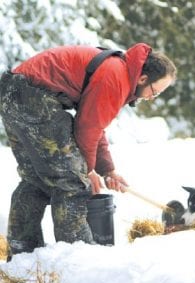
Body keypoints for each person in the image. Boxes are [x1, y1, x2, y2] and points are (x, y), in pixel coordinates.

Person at [0, 43, 177, 258]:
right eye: (154, 92)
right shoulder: (116, 78)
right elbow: (87, 128)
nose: (150, 98)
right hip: (34, 98)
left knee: (35, 179)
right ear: (143, 79)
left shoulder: (119, 71)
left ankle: (22, 256)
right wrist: (87, 171)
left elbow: (95, 125)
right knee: (72, 183)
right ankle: (77, 257)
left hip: (12, 93)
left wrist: (108, 170)